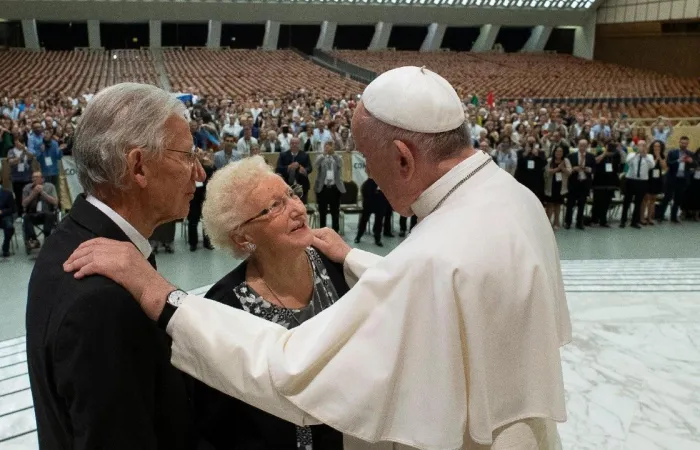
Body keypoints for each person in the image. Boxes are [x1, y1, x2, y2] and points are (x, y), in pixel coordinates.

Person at [66, 68, 570, 450]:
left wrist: (164, 295)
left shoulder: (433, 257)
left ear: (403, 157)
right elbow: (441, 296)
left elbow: (291, 369)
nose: (370, 180)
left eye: (372, 165)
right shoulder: (512, 200)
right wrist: (352, 257)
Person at [26, 83, 206, 450]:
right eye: (187, 155)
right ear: (138, 166)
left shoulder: (74, 238)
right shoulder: (102, 300)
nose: (199, 173)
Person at [197, 156, 346, 450]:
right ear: (242, 237)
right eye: (275, 206)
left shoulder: (336, 264)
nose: (296, 209)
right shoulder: (225, 305)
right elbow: (216, 421)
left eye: (291, 194)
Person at [657, 136, 696, 223]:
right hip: (671, 179)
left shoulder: (690, 153)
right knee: (667, 198)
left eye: (686, 143)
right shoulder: (672, 152)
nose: (684, 145)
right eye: (682, 143)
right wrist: (678, 160)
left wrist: (691, 162)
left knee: (678, 199)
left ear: (688, 144)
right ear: (679, 142)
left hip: (682, 180)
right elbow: (668, 164)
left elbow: (695, 165)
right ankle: (660, 216)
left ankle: (673, 217)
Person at [619, 141, 655, 229]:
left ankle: (634, 222)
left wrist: (645, 156)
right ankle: (623, 221)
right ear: (637, 146)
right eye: (640, 145)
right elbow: (628, 162)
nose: (642, 147)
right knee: (627, 201)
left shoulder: (649, 156)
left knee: (638, 202)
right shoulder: (631, 154)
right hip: (630, 180)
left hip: (642, 181)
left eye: (643, 145)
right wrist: (637, 154)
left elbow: (652, 166)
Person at [314, 141, 346, 233]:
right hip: (323, 188)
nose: (328, 148)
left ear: (333, 147)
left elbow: (340, 164)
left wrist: (334, 154)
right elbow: (316, 164)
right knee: (322, 212)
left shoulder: (338, 157)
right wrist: (324, 154)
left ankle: (335, 231)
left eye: (330, 147)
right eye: (326, 147)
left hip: (334, 188)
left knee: (335, 211)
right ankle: (322, 231)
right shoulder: (320, 157)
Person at [22, 171, 59, 250]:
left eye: (37, 177)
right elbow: (24, 204)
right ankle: (34, 240)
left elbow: (55, 202)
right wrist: (33, 193)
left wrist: (42, 193)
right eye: (33, 177)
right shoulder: (27, 188)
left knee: (50, 215)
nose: (34, 179)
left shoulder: (50, 186)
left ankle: (47, 237)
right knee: (26, 217)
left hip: (47, 213)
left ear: (42, 179)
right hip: (33, 213)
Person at [589, 142, 623, 228]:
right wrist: (604, 154)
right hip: (599, 182)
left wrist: (619, 151)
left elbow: (621, 163)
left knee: (606, 203)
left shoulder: (616, 155)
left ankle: (603, 221)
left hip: (610, 182)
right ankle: (594, 220)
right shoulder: (600, 153)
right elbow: (596, 161)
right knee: (597, 202)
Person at [565, 139, 595, 230]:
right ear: (578, 145)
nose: (582, 147)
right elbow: (568, 169)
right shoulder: (571, 156)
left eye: (584, 145)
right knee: (570, 204)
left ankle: (579, 222)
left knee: (582, 204)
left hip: (584, 183)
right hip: (574, 182)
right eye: (581, 145)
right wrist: (574, 169)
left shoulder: (591, 156)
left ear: (587, 146)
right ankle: (568, 222)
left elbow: (594, 169)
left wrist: (587, 169)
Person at [189, 149, 215, 252]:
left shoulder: (207, 168)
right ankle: (193, 243)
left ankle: (207, 242)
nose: (200, 155)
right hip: (193, 198)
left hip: (204, 198)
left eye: (201, 154)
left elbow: (213, 178)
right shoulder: (190, 167)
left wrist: (211, 164)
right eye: (198, 154)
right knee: (193, 221)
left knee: (206, 221)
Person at [354, 178, 389, 247]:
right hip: (370, 201)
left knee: (379, 221)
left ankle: (377, 238)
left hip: (381, 201)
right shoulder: (370, 180)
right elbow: (365, 190)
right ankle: (358, 236)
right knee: (364, 219)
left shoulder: (385, 180)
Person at [543, 144, 572, 230]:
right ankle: (548, 223)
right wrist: (556, 169)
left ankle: (556, 222)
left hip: (561, 186)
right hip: (550, 186)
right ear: (554, 152)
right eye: (557, 151)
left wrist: (562, 168)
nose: (558, 153)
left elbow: (569, 172)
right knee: (549, 205)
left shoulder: (566, 161)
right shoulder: (549, 160)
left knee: (558, 205)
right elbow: (547, 172)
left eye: (560, 151)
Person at [276, 137, 312, 204]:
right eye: (292, 143)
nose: (294, 145)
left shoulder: (305, 155)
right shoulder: (283, 155)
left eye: (296, 143)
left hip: (302, 186)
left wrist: (304, 170)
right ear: (290, 144)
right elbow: (278, 168)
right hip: (286, 186)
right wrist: (288, 167)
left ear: (299, 144)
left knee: (302, 207)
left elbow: (309, 168)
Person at [642, 140, 667, 226]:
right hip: (649, 178)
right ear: (652, 147)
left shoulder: (662, 155)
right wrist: (656, 158)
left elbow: (664, 167)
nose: (657, 148)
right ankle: (642, 217)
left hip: (657, 179)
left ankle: (650, 217)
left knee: (653, 199)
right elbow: (651, 166)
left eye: (659, 146)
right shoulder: (648, 155)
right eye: (655, 146)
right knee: (646, 198)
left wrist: (659, 156)